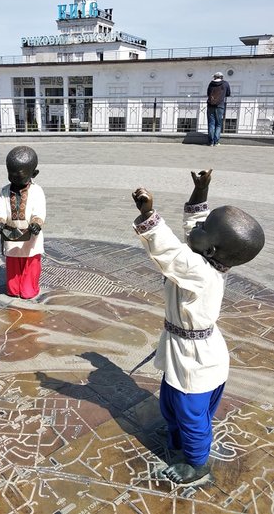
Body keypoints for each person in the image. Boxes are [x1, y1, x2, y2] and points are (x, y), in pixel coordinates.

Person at [132, 169, 264, 485]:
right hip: (195, 351)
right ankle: (178, 438)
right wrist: (200, 193)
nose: (196, 227)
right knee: (170, 401)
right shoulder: (210, 257)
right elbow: (195, 230)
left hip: (195, 361)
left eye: (205, 227)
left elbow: (170, 252)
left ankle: (196, 464)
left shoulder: (199, 271)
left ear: (212, 250)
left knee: (192, 416)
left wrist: (149, 214)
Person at [0, 146, 46, 299]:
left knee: (31, 263)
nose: (15, 179)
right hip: (11, 233)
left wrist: (36, 222)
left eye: (20, 176)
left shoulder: (37, 191)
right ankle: (13, 288)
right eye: (11, 174)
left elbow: (39, 210)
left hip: (30, 235)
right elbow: (0, 208)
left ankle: (29, 289)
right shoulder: (5, 191)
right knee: (13, 264)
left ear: (33, 174)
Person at [206, 72, 231, 146]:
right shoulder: (225, 83)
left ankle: (211, 142)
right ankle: (216, 142)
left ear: (215, 77)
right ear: (221, 77)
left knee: (211, 124)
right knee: (218, 124)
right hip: (220, 105)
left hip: (210, 105)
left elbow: (208, 93)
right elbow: (228, 93)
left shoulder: (211, 83)